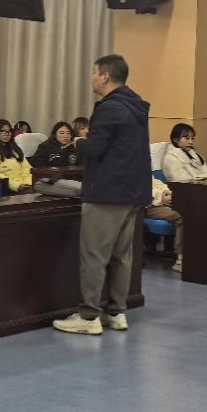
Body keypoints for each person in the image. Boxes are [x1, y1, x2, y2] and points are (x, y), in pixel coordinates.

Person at [54, 55, 151, 336]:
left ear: (106, 76)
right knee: (122, 256)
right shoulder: (135, 105)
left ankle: (89, 317)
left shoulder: (109, 108)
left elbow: (96, 149)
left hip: (108, 192)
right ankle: (117, 313)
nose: (92, 77)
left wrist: (79, 142)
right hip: (133, 192)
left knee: (94, 256)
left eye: (94, 72)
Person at [29, 121, 82, 198]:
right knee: (82, 189)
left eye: (68, 133)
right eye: (61, 133)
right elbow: (36, 163)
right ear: (55, 134)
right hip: (51, 180)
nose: (65, 136)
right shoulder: (45, 146)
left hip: (73, 179)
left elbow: (81, 165)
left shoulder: (75, 147)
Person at [0, 119, 33, 193]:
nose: (7, 134)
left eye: (9, 131)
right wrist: (18, 185)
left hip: (26, 186)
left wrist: (28, 183)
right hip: (7, 188)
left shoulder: (15, 149)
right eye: (3, 131)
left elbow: (27, 169)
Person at [146, 175, 185, 273]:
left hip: (160, 201)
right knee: (181, 216)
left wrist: (166, 192)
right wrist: (161, 196)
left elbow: (155, 182)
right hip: (148, 206)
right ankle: (181, 260)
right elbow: (142, 188)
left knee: (191, 212)